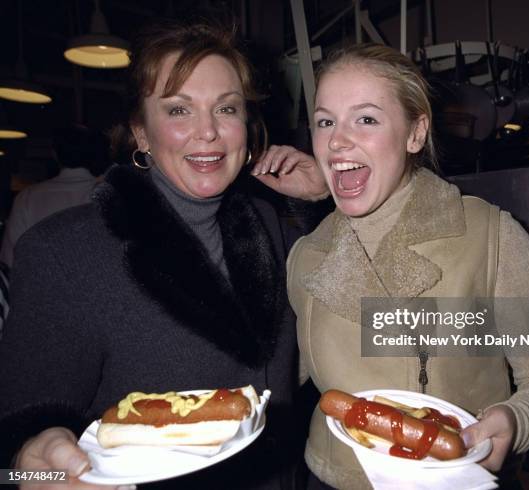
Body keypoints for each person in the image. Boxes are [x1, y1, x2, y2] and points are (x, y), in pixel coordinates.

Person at [0, 19, 326, 490]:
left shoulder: (270, 224)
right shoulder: (62, 254)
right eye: (178, 110)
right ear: (141, 133)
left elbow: (369, 320)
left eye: (226, 108)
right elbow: (14, 462)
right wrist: (32, 462)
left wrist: (323, 202)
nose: (208, 132)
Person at [286, 43, 529, 489]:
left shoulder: (490, 235)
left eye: (366, 119)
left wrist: (516, 419)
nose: (336, 140)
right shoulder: (305, 255)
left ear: (415, 133)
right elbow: (277, 378)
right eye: (325, 121)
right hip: (330, 478)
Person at [0, 125, 109, 268]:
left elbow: (9, 261)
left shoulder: (28, 198)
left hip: (39, 285)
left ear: (55, 154)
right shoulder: (108, 195)